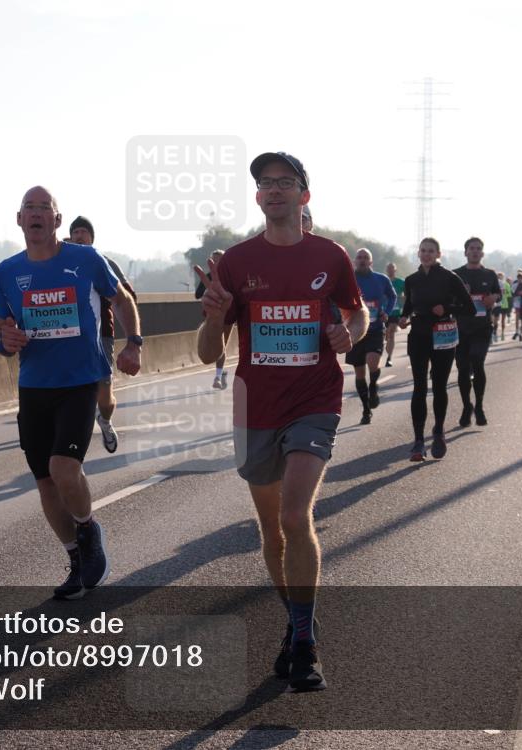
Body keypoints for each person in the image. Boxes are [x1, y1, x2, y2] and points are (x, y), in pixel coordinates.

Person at [195, 151, 366, 692]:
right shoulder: (236, 262)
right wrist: (214, 317)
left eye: (285, 182)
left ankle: (306, 646)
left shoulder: (330, 256)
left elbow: (356, 311)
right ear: (257, 196)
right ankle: (296, 623)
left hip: (315, 400)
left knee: (295, 516)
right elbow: (208, 353)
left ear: (303, 195)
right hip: (257, 407)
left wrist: (349, 333)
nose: (273, 190)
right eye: (265, 183)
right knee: (271, 530)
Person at [0, 187, 142, 600]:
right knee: (45, 482)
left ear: (57, 220)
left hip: (80, 381)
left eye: (45, 208)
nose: (36, 214)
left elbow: (122, 299)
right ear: (19, 219)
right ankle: (76, 557)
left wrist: (134, 343)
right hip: (33, 387)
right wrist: (5, 341)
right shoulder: (6, 272)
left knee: (63, 468)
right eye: (29, 208)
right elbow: (0, 334)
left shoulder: (86, 259)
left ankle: (88, 528)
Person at [398, 237, 475, 461]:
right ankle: (418, 441)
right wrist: (403, 317)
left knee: (439, 386)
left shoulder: (449, 278)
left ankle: (439, 431)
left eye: (431, 251)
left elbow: (469, 307)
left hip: (443, 334)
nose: (426, 254)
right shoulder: (411, 280)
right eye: (423, 250)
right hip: (419, 335)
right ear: (418, 253)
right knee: (419, 387)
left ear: (438, 254)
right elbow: (409, 306)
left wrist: (447, 308)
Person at [67, 216, 138, 453]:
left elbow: (128, 296)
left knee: (105, 398)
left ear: (92, 238)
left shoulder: (103, 262)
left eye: (84, 232)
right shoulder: (60, 262)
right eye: (75, 232)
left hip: (101, 337)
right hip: (68, 337)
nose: (79, 236)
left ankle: (105, 420)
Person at [453, 237, 501, 427]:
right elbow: (448, 298)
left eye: (478, 248)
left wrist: (493, 298)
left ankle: (479, 406)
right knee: (463, 369)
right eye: (471, 248)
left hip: (482, 327)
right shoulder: (456, 274)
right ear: (465, 252)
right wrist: (460, 293)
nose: (475, 251)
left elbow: (498, 293)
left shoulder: (489, 274)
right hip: (461, 329)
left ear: (482, 253)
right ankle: (467, 406)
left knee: (477, 361)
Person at [347, 248, 396, 424]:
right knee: (359, 373)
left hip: (375, 329)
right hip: (355, 331)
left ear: (371, 262)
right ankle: (366, 410)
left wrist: (387, 312)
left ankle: (373, 386)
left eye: (365, 257)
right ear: (354, 261)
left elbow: (392, 296)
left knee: (372, 362)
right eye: (359, 257)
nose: (362, 260)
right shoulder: (348, 279)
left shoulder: (381, 279)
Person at [194, 249, 233, 389]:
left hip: (228, 316)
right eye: (214, 260)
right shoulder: (208, 277)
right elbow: (197, 294)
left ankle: (218, 375)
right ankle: (219, 375)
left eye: (219, 261)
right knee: (215, 344)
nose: (216, 263)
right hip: (211, 316)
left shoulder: (231, 276)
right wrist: (207, 291)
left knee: (222, 346)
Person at [385, 262, 405, 366]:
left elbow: (408, 294)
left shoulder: (401, 282)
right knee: (386, 334)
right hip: (383, 312)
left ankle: (389, 358)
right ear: (386, 270)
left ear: (395, 270)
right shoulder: (382, 281)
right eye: (389, 268)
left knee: (391, 333)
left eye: (392, 268)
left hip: (395, 312)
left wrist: (403, 299)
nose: (390, 269)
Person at [494, 271, 512, 341]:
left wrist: (504, 293)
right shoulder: (495, 283)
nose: (499, 277)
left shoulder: (506, 284)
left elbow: (509, 294)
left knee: (502, 320)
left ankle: (502, 333)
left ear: (503, 277)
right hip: (498, 304)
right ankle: (495, 333)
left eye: (501, 276)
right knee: (495, 320)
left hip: (504, 304)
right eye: (498, 276)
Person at [510, 270, 522, 341]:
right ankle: (516, 331)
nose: (520, 279)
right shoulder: (514, 285)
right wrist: (518, 293)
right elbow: (512, 294)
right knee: (517, 318)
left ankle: (521, 332)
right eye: (519, 278)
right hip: (517, 303)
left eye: (521, 278)